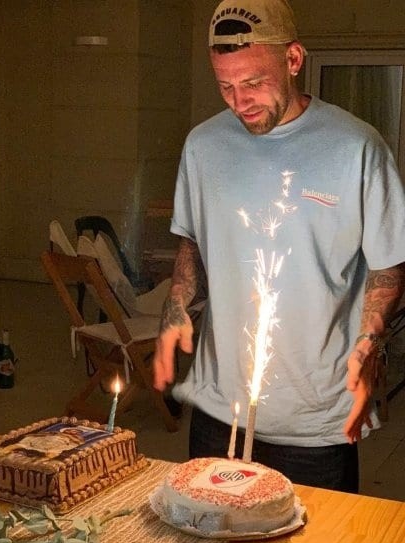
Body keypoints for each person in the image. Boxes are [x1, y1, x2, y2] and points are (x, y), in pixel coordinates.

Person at [153, 0, 405, 493]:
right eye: (225, 85)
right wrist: (176, 306)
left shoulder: (357, 147)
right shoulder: (203, 146)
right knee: (208, 528)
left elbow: (388, 266)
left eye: (253, 82)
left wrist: (370, 342)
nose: (239, 101)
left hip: (317, 420)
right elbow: (193, 241)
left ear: (293, 59)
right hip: (219, 410)